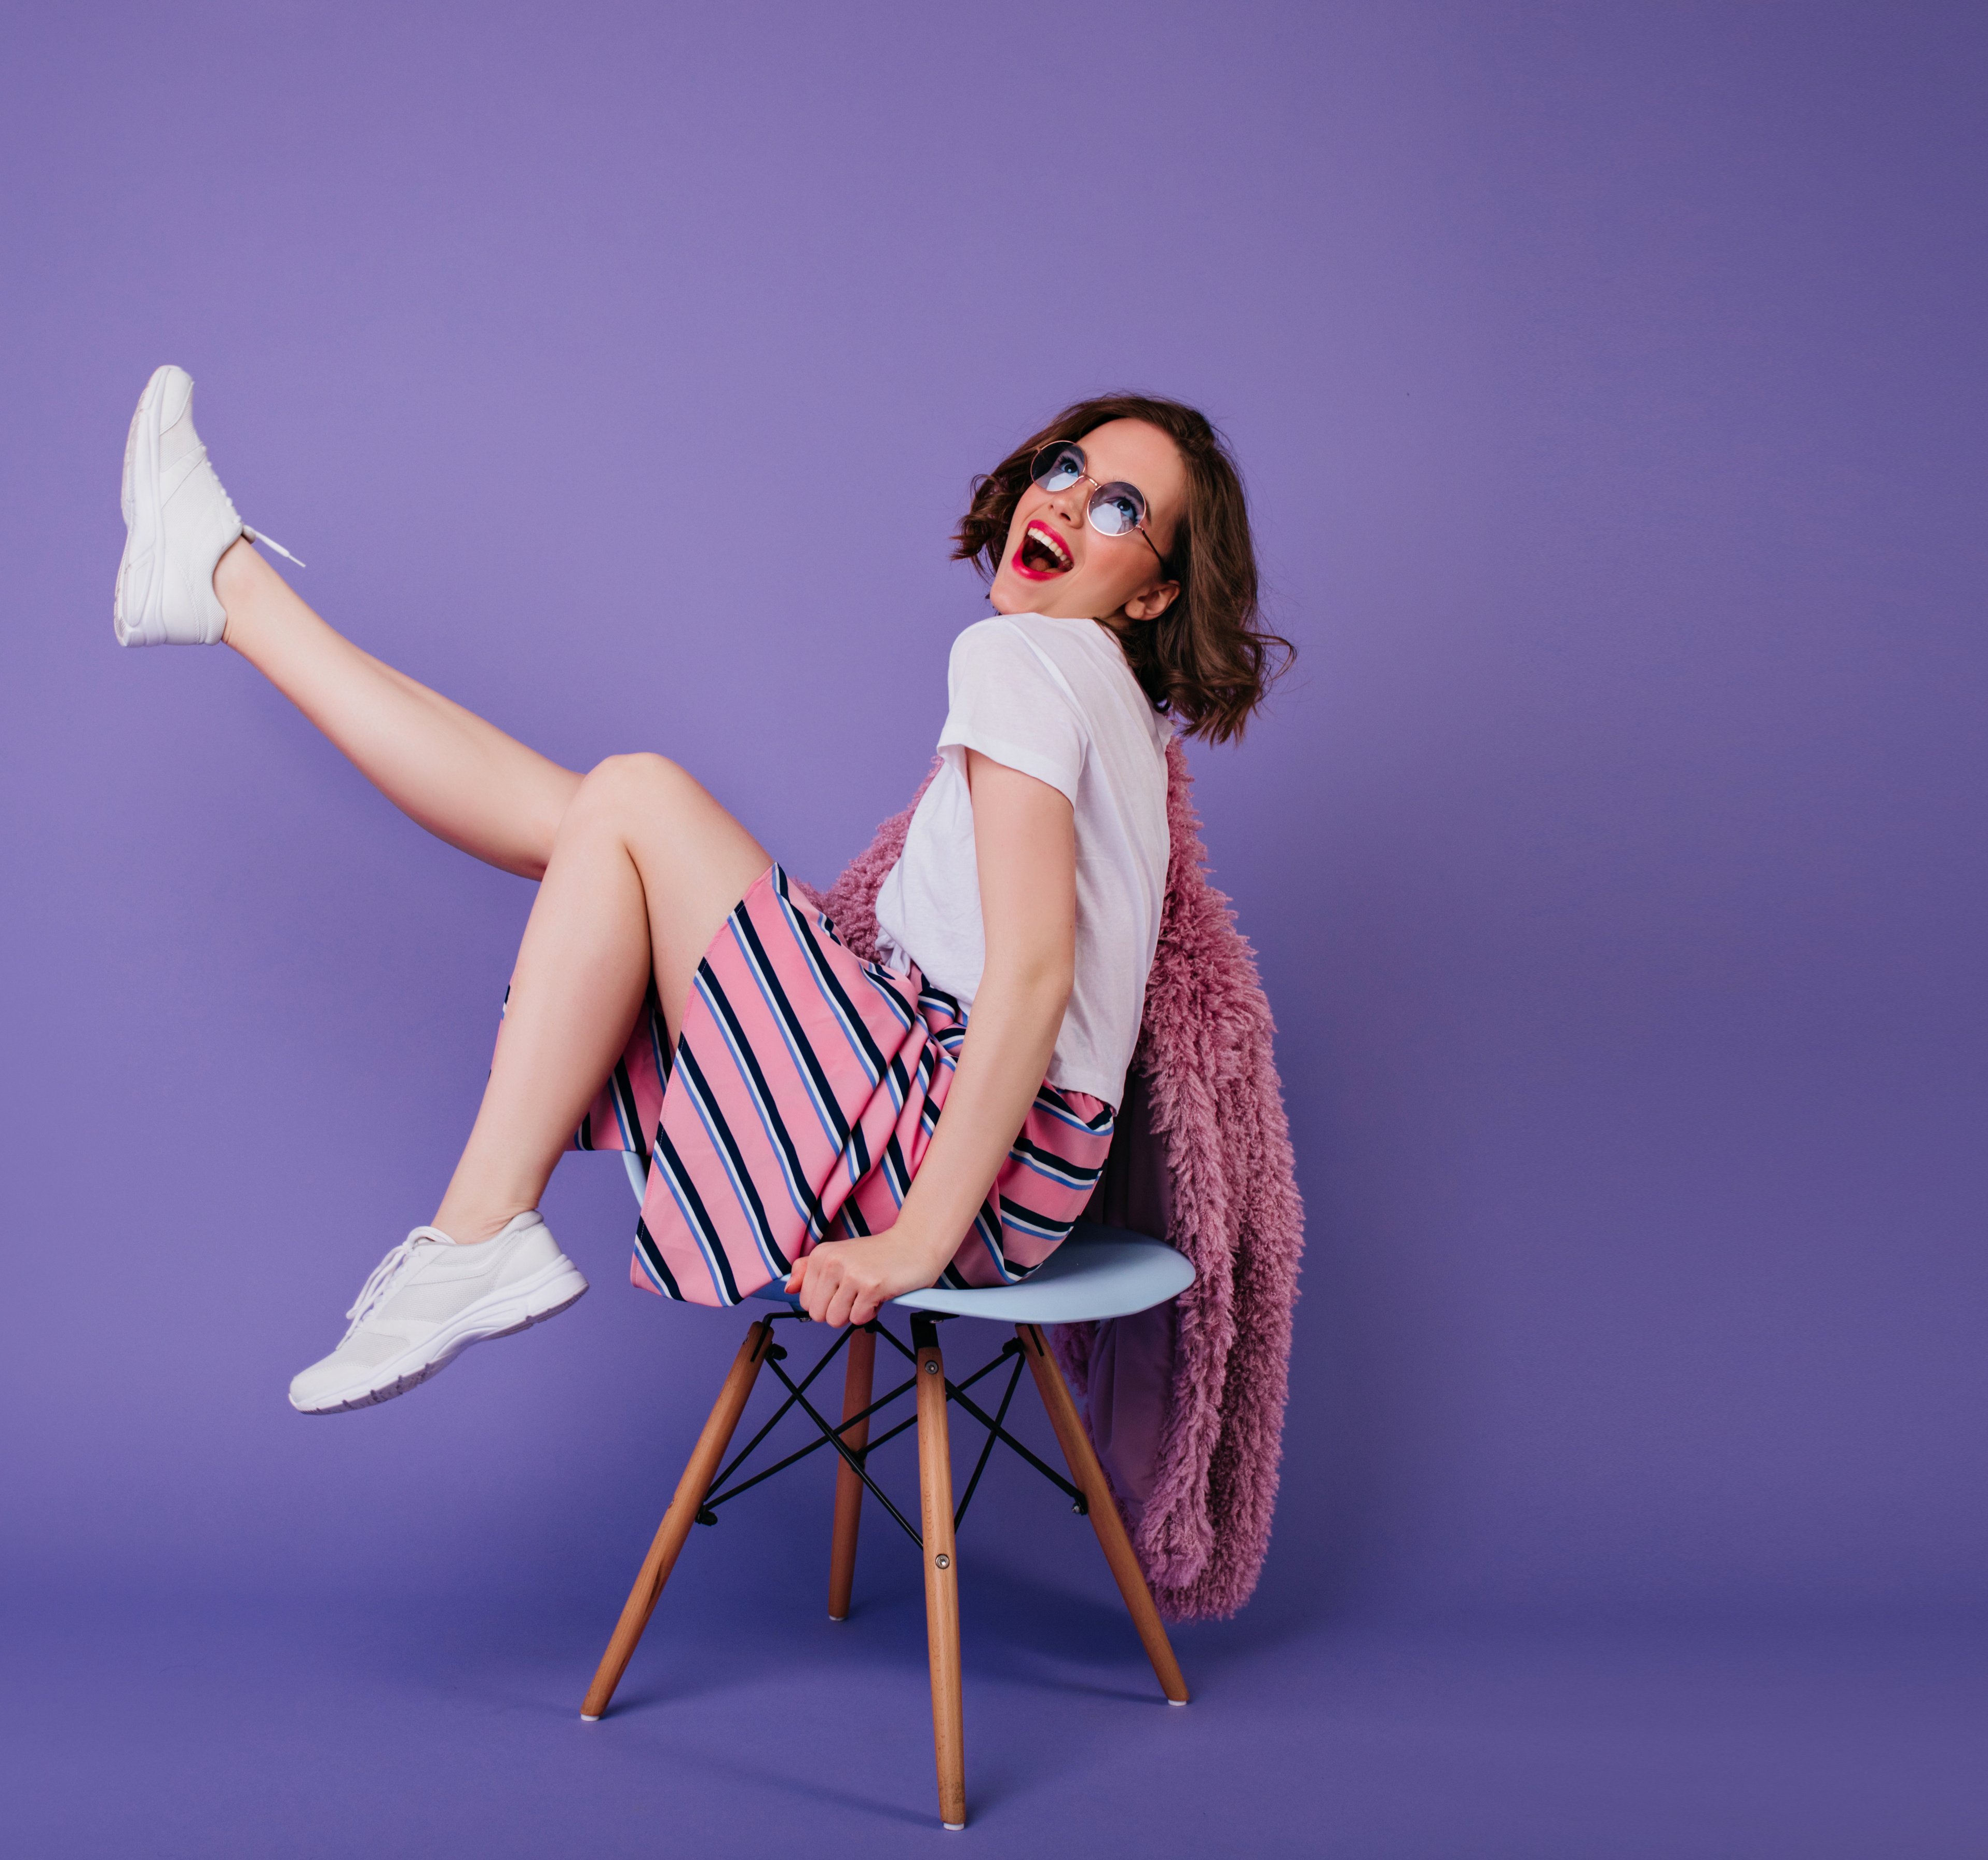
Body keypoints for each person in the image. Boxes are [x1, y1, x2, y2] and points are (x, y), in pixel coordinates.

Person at [110, 367, 1284, 1414]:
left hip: (961, 1154)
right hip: (1027, 1171)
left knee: (628, 799)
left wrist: (915, 1241)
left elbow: (1035, 971)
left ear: (1153, 595)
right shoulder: (1115, 706)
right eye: (1068, 467)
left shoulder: (1022, 659)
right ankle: (229, 589)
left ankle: (476, 1229)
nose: (1071, 501)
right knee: (596, 821)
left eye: (1121, 508)